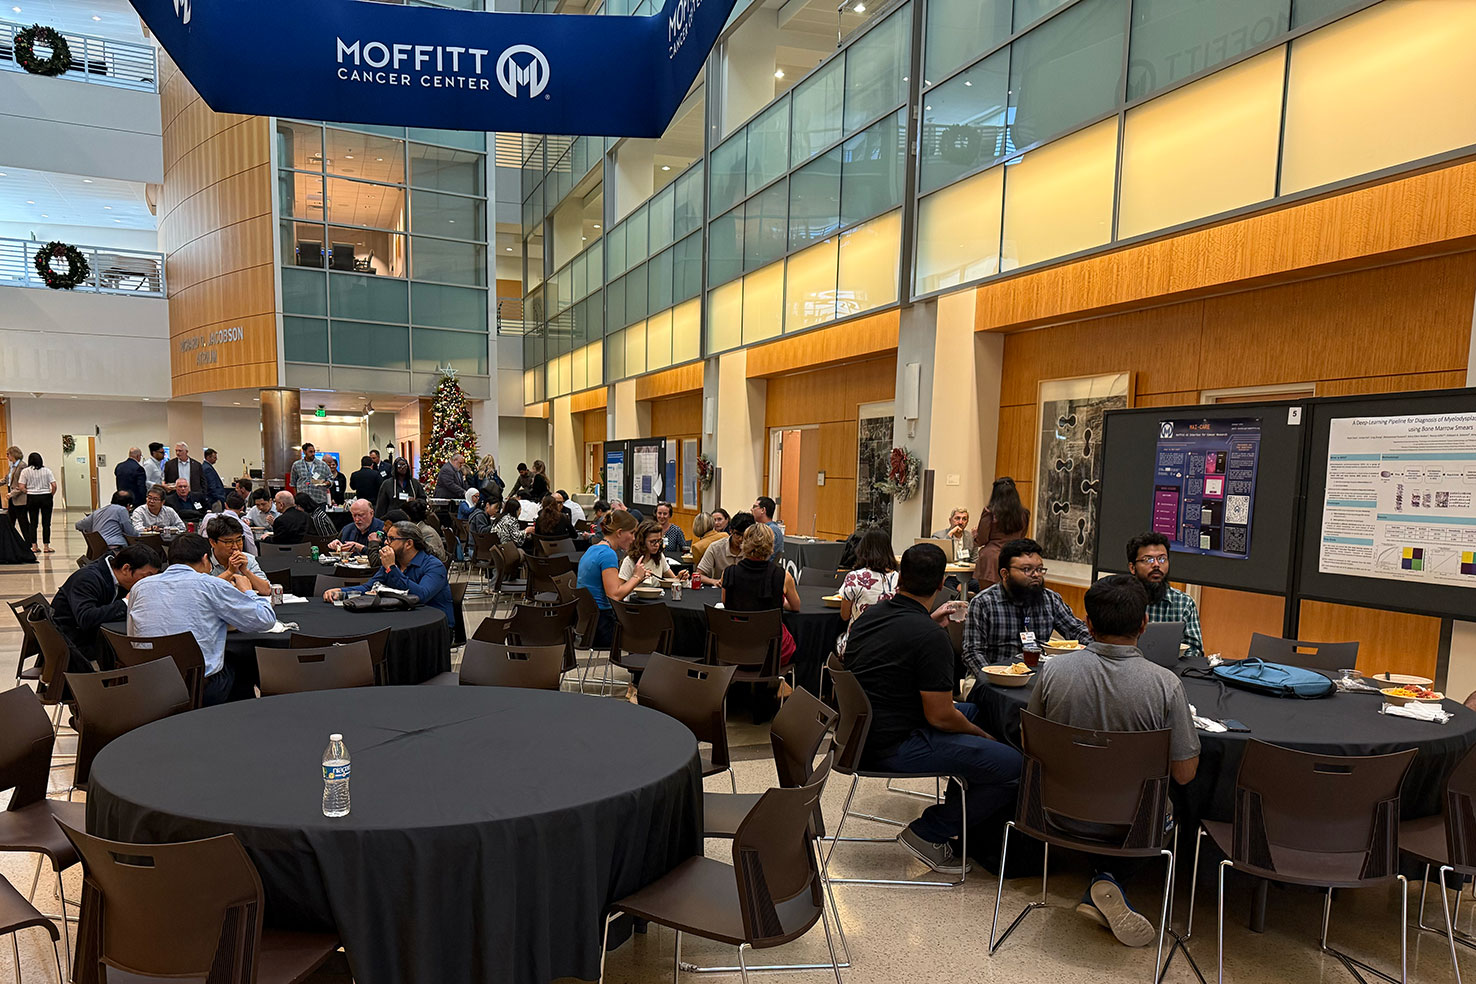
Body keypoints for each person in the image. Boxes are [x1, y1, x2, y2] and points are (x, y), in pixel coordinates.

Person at [1026, 574, 1200, 946]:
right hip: (1133, 824)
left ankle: (1100, 883)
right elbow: (1185, 773)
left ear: (1088, 624)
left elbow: (1031, 745)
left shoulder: (1053, 671)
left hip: (1053, 810)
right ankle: (1108, 880)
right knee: (1178, 803)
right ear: (1144, 625)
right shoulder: (1165, 684)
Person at [844, 543, 1023, 875]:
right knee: (1014, 765)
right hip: (891, 746)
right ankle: (929, 832)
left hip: (861, 734)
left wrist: (929, 622)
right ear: (943, 582)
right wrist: (983, 737)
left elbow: (900, 647)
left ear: (899, 578)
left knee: (978, 711)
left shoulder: (872, 617)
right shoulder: (929, 637)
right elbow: (940, 715)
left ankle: (965, 808)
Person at [128, 533, 278, 705]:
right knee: (243, 661)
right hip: (198, 686)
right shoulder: (210, 584)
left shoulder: (140, 587)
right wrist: (248, 591)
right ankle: (239, 718)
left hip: (148, 683)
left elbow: (133, 633)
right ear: (206, 558)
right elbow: (265, 620)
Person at [962, 538, 1091, 700]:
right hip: (991, 676)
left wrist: (1101, 648)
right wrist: (996, 677)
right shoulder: (983, 603)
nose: (1036, 575)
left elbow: (1077, 630)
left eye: (1039, 569)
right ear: (1005, 574)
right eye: (1027, 569)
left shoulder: (1050, 599)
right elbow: (972, 651)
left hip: (1036, 678)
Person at [51, 543, 162, 672]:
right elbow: (86, 618)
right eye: (145, 576)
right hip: (73, 646)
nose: (147, 582)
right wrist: (125, 602)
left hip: (97, 638)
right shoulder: (87, 578)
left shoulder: (116, 577)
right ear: (126, 569)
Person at [325, 522, 454, 627]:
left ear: (409, 543)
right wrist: (341, 591)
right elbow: (369, 587)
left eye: (391, 539)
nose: (386, 543)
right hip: (403, 618)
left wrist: (391, 568)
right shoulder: (393, 562)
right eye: (386, 538)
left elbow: (421, 596)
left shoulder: (433, 566)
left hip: (432, 626)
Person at [720, 523, 800, 666]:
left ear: (745, 544)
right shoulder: (782, 576)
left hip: (735, 647)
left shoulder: (729, 573)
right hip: (772, 651)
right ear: (770, 545)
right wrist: (780, 601)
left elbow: (726, 603)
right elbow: (795, 607)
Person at [1126, 532, 1204, 659]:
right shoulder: (1119, 601)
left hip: (1170, 673)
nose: (1156, 565)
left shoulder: (1183, 603)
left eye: (1162, 559)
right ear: (1132, 567)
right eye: (1148, 560)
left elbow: (1194, 650)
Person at [576, 510, 647, 648]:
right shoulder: (608, 554)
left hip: (587, 621)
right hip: (602, 624)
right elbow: (614, 595)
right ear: (619, 532)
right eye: (632, 533)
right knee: (647, 631)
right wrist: (637, 577)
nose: (633, 538)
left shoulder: (593, 549)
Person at [837, 528, 900, 656]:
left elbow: (845, 616)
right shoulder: (899, 579)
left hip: (859, 645)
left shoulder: (854, 577)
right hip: (891, 645)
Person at [973, 476, 1030, 589]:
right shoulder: (1024, 514)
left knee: (988, 598)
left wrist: (975, 535)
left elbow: (982, 540)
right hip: (1014, 558)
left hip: (992, 558)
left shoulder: (989, 512)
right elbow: (1021, 537)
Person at [206, 516, 271, 596]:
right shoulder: (203, 561)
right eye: (229, 542)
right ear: (213, 542)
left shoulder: (247, 559)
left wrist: (245, 570)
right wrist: (230, 572)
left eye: (239, 540)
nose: (236, 547)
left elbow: (266, 590)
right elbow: (205, 592)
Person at [694, 511, 753, 584]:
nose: (741, 539)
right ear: (730, 530)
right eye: (737, 534)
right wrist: (714, 581)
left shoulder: (753, 549)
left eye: (745, 535)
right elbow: (699, 575)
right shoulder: (715, 547)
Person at [19, 452, 57, 553]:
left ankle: (34, 546)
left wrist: (28, 491)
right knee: (46, 523)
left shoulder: (25, 471)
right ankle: (46, 546)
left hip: (32, 498)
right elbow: (54, 485)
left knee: (33, 523)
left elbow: (21, 486)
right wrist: (50, 494)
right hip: (46, 497)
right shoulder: (47, 471)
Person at [402, 499, 450, 566]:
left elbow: (434, 555)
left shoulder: (426, 532)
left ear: (408, 517)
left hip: (432, 568)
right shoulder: (417, 529)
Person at [290, 444, 332, 508]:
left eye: (314, 451)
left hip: (319, 501)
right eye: (310, 452)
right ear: (304, 452)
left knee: (319, 518)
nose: (313, 454)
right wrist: (297, 498)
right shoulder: (296, 465)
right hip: (303, 502)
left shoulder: (323, 465)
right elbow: (293, 483)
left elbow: (331, 479)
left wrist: (327, 483)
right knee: (304, 518)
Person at [218, 490, 257, 555]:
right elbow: (252, 553)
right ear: (242, 508)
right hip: (235, 558)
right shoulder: (244, 527)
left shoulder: (208, 518)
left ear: (225, 505)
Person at [5, 446, 30, 545]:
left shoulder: (22, 466)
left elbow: (22, 484)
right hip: (12, 497)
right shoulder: (12, 466)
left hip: (20, 498)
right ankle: (11, 543)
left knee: (23, 522)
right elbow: (7, 479)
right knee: (10, 521)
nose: (7, 456)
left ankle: (29, 543)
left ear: (13, 454)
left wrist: (12, 494)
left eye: (8, 454)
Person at [751, 495, 784, 561]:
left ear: (763, 510)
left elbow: (762, 556)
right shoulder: (769, 528)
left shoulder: (771, 530)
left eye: (754, 507)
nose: (751, 509)